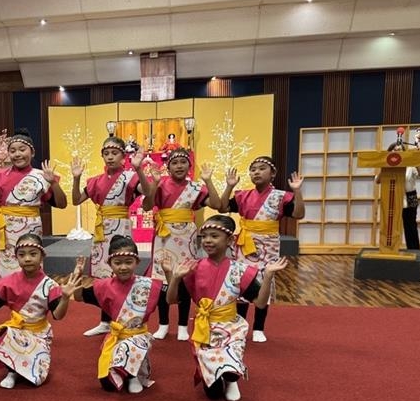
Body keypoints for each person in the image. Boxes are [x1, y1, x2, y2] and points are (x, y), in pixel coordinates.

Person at [165, 215, 288, 401]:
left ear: (230, 240)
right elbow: (171, 300)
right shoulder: (193, 268)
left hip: (232, 329)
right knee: (213, 394)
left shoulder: (239, 269)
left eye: (214, 236)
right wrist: (174, 278)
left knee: (229, 373)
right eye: (204, 236)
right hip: (206, 330)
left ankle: (232, 379)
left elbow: (260, 303)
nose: (207, 240)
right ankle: (215, 373)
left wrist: (269, 275)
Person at [211, 157, 304, 343]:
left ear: (273, 174)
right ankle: (241, 324)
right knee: (242, 281)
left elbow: (298, 214)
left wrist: (297, 191)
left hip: (268, 245)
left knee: (264, 282)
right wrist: (229, 186)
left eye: (262, 169)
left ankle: (259, 327)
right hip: (245, 245)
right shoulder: (242, 195)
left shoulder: (280, 196)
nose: (256, 172)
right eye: (253, 169)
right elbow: (221, 207)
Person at [71, 135, 154, 336]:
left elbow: (149, 197)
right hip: (101, 231)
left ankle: (123, 317)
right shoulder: (95, 181)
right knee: (102, 276)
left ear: (123, 156)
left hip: (121, 228)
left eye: (114, 153)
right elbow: (75, 200)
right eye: (106, 153)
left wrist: (139, 169)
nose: (110, 157)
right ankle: (105, 320)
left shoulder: (130, 177)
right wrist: (76, 178)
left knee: (121, 272)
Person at [0, 233, 81, 389]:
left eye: (33, 254)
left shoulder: (49, 285)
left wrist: (66, 298)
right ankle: (12, 371)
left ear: (42, 257)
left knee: (36, 379)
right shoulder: (9, 282)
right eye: (22, 255)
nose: (27, 259)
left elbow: (58, 316)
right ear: (16, 258)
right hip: (17, 330)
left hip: (39, 333)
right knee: (6, 334)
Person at [142, 148, 217, 341]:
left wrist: (209, 181)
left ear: (189, 166)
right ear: (168, 167)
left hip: (187, 236)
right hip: (164, 236)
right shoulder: (160, 184)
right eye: (174, 163)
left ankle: (183, 324)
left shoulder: (195, 188)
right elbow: (147, 206)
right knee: (161, 278)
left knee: (185, 277)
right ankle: (163, 324)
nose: (179, 166)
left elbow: (217, 205)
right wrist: (155, 184)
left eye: (183, 162)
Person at [0, 128, 67, 283]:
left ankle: (34, 297)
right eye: (12, 151)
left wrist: (53, 182)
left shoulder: (41, 176)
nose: (17, 154)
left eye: (22, 150)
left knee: (32, 264)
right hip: (6, 229)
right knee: (6, 268)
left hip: (31, 228)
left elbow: (61, 204)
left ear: (32, 152)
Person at [73, 235, 163, 394]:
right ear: (109, 264)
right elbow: (80, 297)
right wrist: (79, 275)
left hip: (138, 337)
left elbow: (172, 299)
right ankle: (126, 372)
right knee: (107, 384)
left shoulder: (147, 285)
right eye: (118, 263)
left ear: (137, 262)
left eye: (128, 262)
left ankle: (133, 376)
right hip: (117, 337)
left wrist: (172, 276)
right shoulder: (104, 286)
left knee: (129, 347)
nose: (123, 267)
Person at [374, 141, 420, 250]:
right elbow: (378, 181)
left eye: (400, 150)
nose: (397, 152)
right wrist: (385, 167)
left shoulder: (410, 165)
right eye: (394, 150)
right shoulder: (387, 165)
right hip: (392, 196)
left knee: (410, 225)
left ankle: (414, 250)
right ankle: (390, 249)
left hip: (410, 196)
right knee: (391, 226)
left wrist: (415, 162)